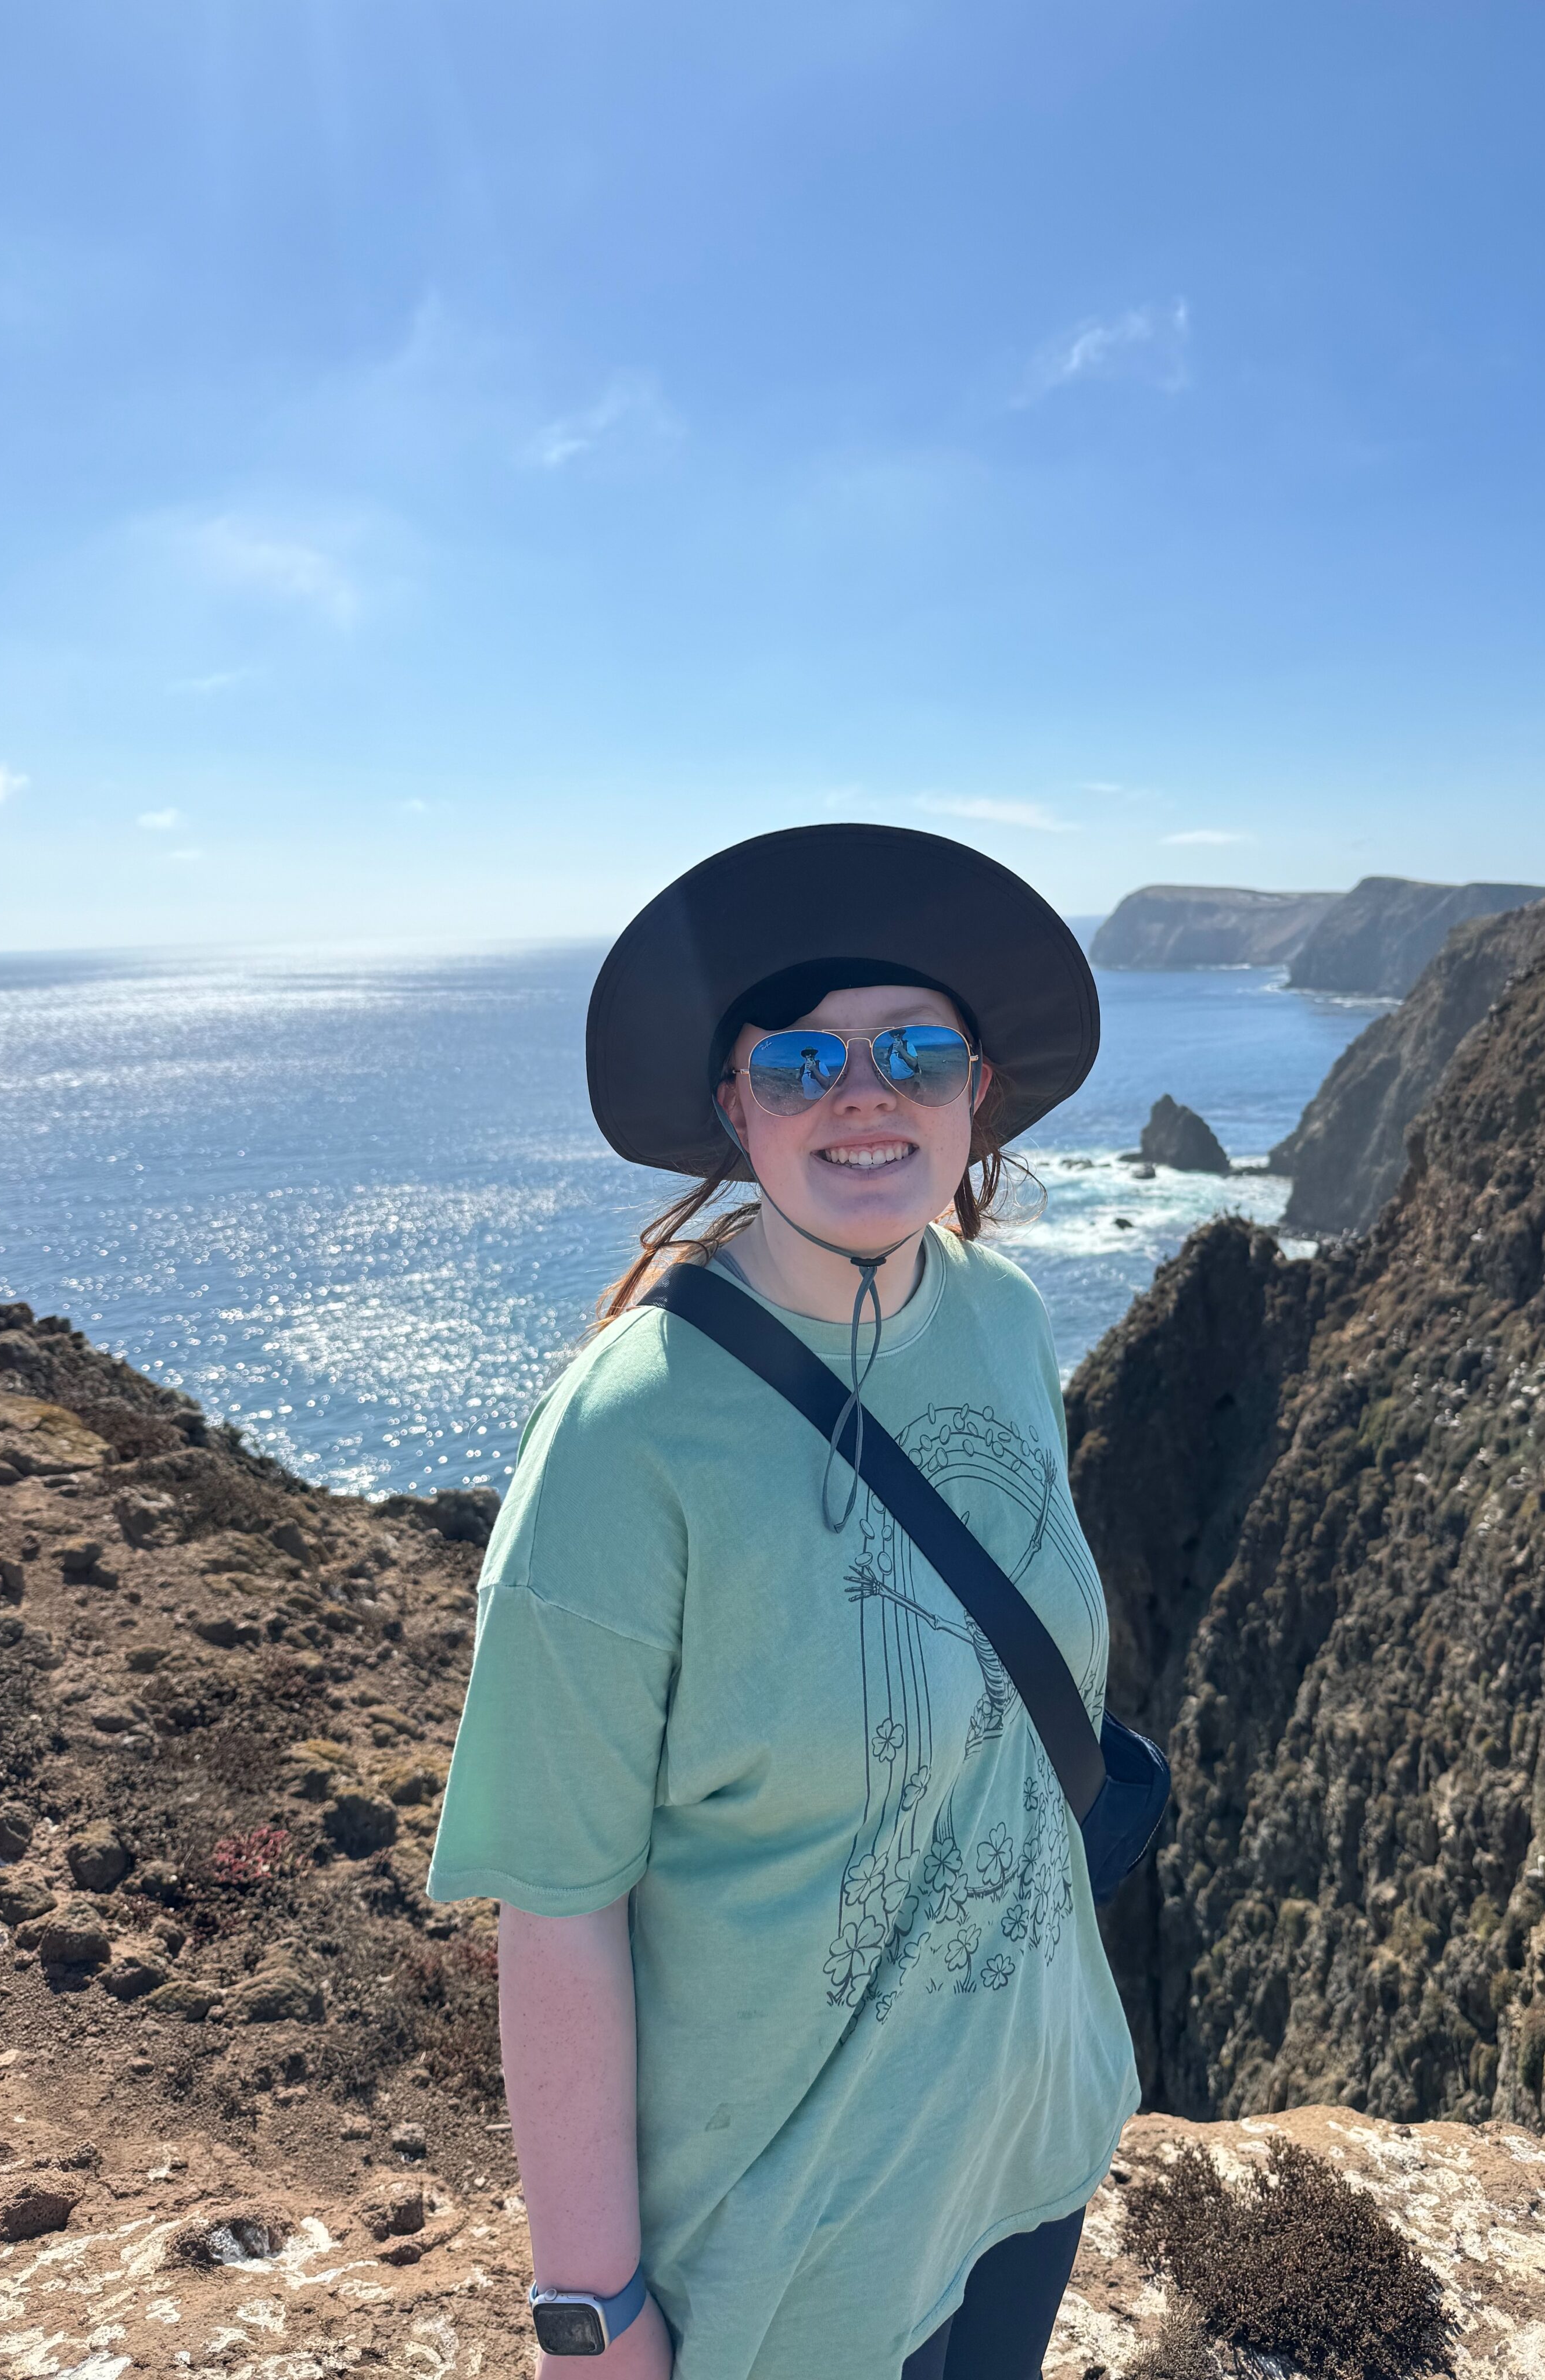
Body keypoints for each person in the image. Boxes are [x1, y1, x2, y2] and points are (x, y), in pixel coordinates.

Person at [426, 823, 1140, 2379]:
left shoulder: (1008, 1319)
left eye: (917, 1052)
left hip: (1026, 2146)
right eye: (805, 1061)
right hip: (792, 2260)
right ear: (732, 1107)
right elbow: (559, 1905)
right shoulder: (628, 1441)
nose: (866, 1094)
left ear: (978, 1094)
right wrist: (589, 2309)